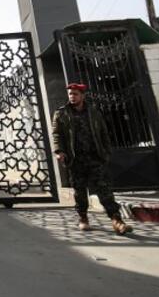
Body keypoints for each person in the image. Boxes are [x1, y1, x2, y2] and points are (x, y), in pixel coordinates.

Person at [52, 82, 133, 235]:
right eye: (70, 94)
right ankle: (83, 217)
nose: (72, 97)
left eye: (75, 94)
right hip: (76, 159)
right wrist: (59, 151)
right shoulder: (61, 114)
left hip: (95, 157)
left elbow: (103, 132)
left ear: (82, 95)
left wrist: (106, 152)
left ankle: (117, 220)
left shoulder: (93, 112)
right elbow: (57, 135)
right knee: (80, 191)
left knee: (105, 190)